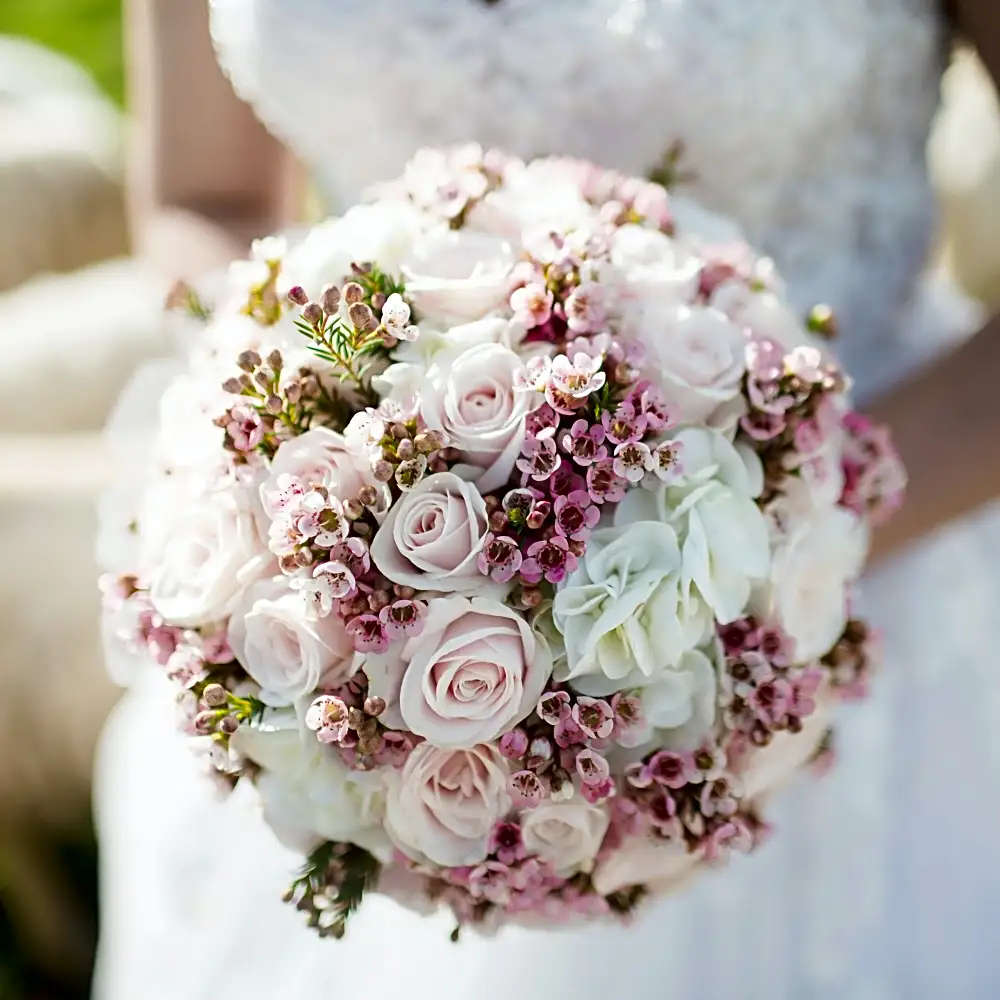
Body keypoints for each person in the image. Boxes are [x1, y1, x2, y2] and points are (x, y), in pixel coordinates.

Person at [94, 1, 1000, 997]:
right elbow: (206, 196)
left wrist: (778, 528)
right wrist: (341, 408)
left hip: (871, 570)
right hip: (350, 621)